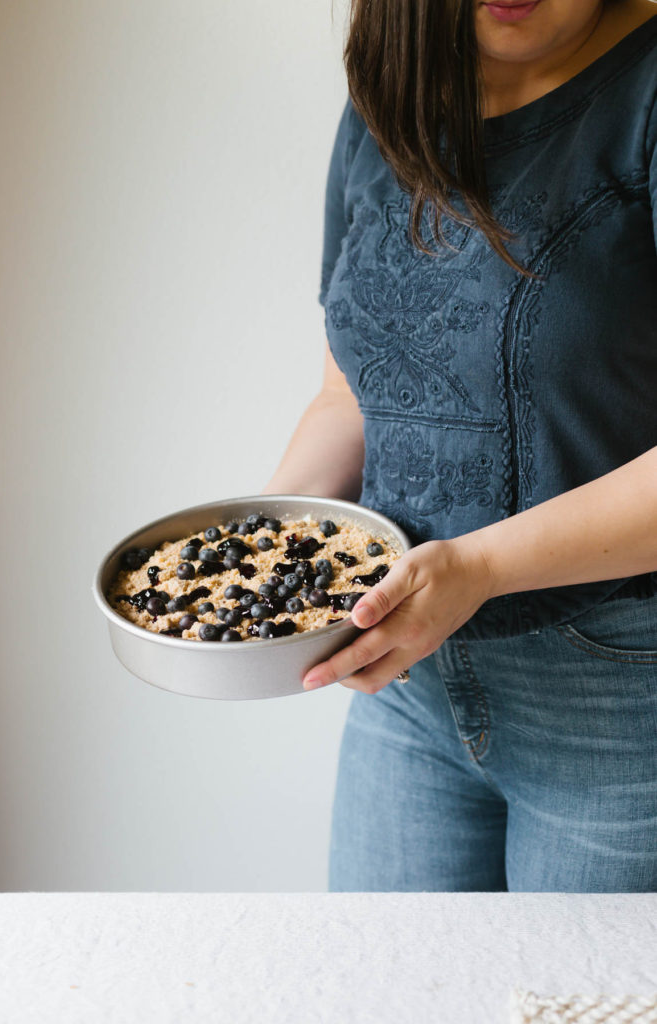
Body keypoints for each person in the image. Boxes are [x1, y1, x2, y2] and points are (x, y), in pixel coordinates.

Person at [263, 0, 657, 892]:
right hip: (404, 694)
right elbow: (349, 394)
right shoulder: (388, 103)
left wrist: (474, 570)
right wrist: (273, 542)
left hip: (619, 703)